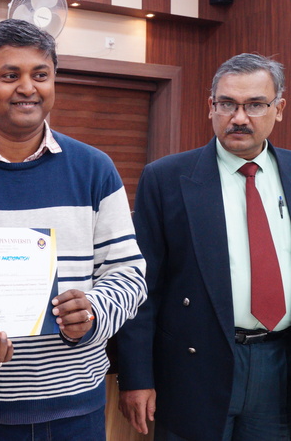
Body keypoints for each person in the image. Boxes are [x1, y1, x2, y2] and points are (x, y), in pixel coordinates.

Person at [0, 19, 147, 440]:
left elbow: (128, 273)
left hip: (77, 407)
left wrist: (92, 312)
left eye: (40, 75)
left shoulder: (95, 168)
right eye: (9, 75)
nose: (27, 88)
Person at [116, 53, 291, 441]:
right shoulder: (166, 179)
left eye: (255, 105)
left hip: (280, 366)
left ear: (278, 109)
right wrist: (136, 376)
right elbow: (142, 289)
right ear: (211, 107)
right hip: (195, 368)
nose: (239, 118)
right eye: (227, 104)